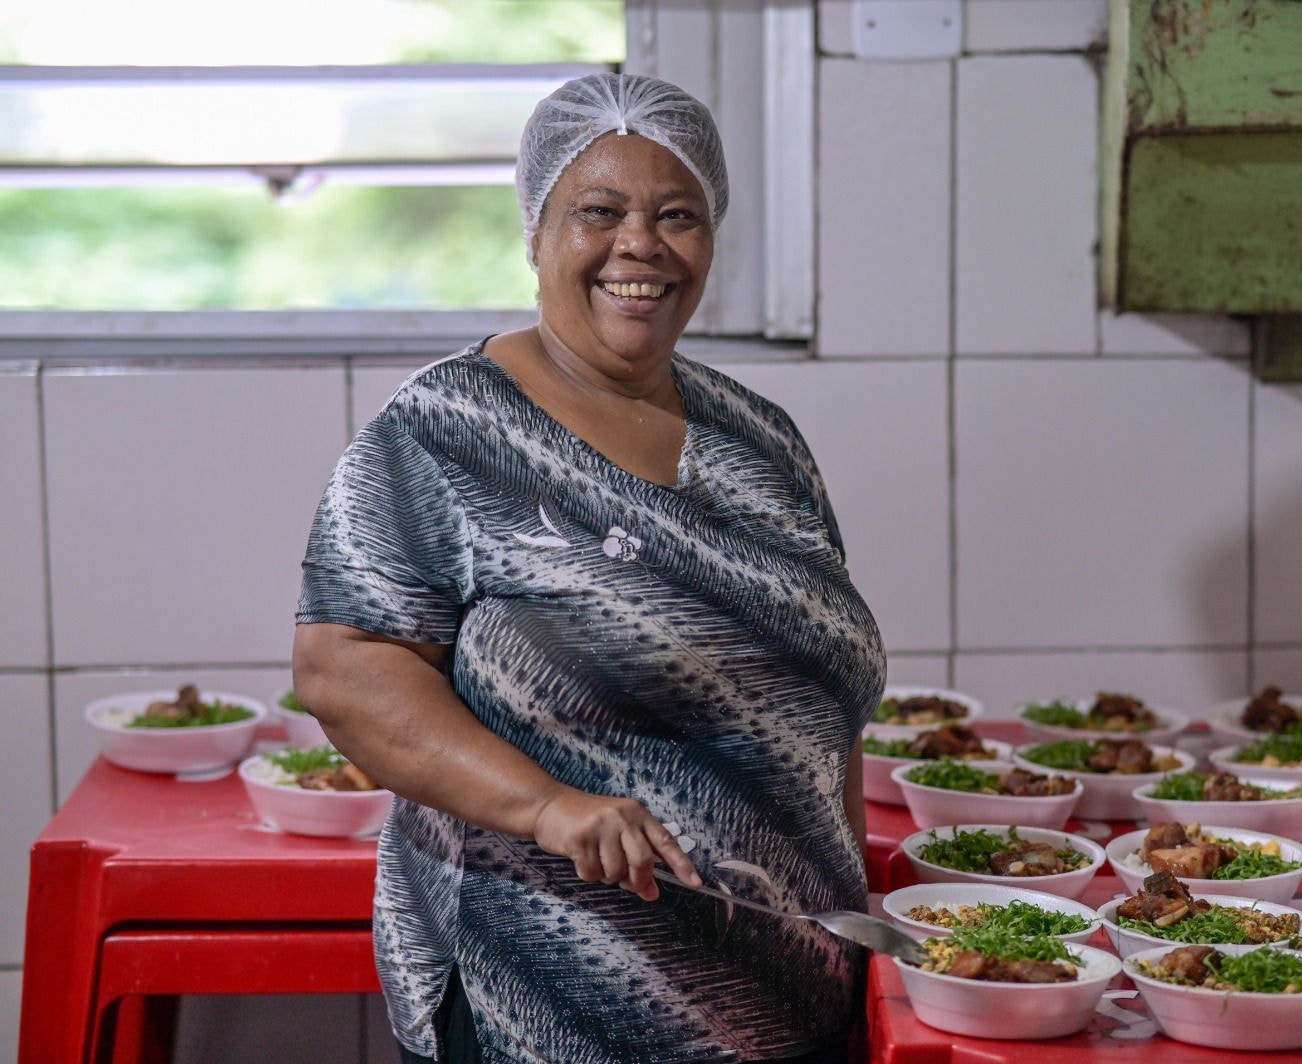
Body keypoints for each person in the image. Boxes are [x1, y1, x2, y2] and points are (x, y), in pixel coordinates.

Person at [292, 71, 886, 1064]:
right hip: (552, 1006)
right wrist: (548, 806)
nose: (641, 246)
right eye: (597, 212)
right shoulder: (443, 430)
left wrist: (849, 912)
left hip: (795, 1002)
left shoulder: (763, 439)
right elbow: (344, 667)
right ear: (536, 231)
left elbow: (821, 702)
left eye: (678, 214)